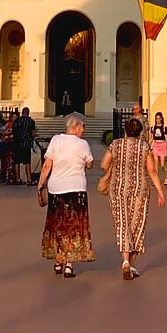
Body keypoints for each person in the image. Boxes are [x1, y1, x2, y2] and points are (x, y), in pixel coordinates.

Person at [101, 117, 165, 280]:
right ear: (140, 132)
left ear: (126, 130)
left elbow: (103, 164)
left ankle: (125, 262)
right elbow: (151, 171)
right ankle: (132, 263)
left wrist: (115, 167)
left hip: (118, 189)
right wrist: (160, 191)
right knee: (137, 224)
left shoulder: (115, 144)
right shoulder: (144, 147)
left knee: (122, 223)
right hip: (139, 189)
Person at [37, 112, 95, 277]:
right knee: (74, 226)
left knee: (58, 225)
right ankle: (69, 264)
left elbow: (48, 164)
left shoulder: (56, 140)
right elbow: (89, 164)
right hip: (76, 189)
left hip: (57, 188)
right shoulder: (82, 144)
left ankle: (58, 260)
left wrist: (40, 184)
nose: (83, 130)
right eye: (82, 127)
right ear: (75, 127)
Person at [14, 107, 37, 183]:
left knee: (17, 162)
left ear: (22, 112)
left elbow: (14, 131)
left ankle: (18, 178)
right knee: (27, 162)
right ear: (28, 113)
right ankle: (29, 179)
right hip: (26, 144)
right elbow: (33, 133)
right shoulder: (31, 121)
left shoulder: (17, 120)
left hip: (17, 143)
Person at [149, 111, 167, 183]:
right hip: (155, 145)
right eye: (156, 118)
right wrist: (148, 145)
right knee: (155, 163)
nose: (157, 120)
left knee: (162, 164)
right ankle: (156, 180)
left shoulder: (164, 128)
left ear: (161, 119)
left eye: (159, 118)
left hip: (162, 145)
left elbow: (166, 139)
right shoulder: (153, 128)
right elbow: (152, 138)